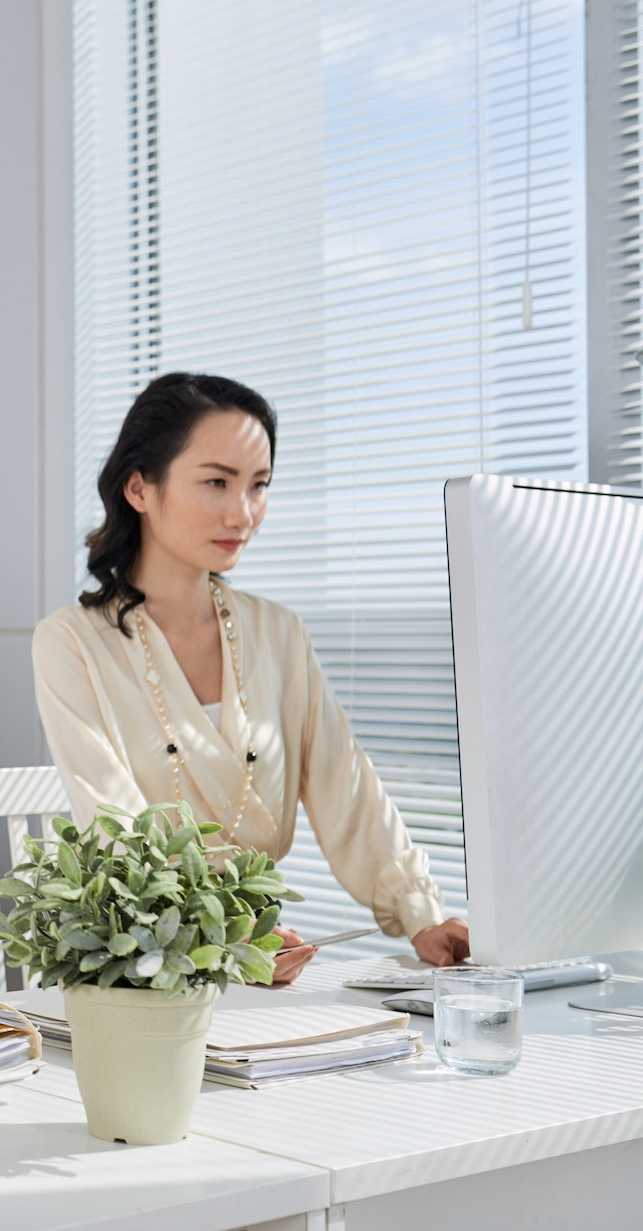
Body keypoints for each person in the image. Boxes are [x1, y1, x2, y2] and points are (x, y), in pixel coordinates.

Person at [32, 372, 470, 984]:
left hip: (268, 971)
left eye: (258, 485)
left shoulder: (278, 633)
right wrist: (230, 935)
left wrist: (421, 914)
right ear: (139, 487)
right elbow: (119, 834)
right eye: (216, 482)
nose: (243, 513)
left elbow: (350, 791)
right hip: (140, 975)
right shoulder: (72, 644)